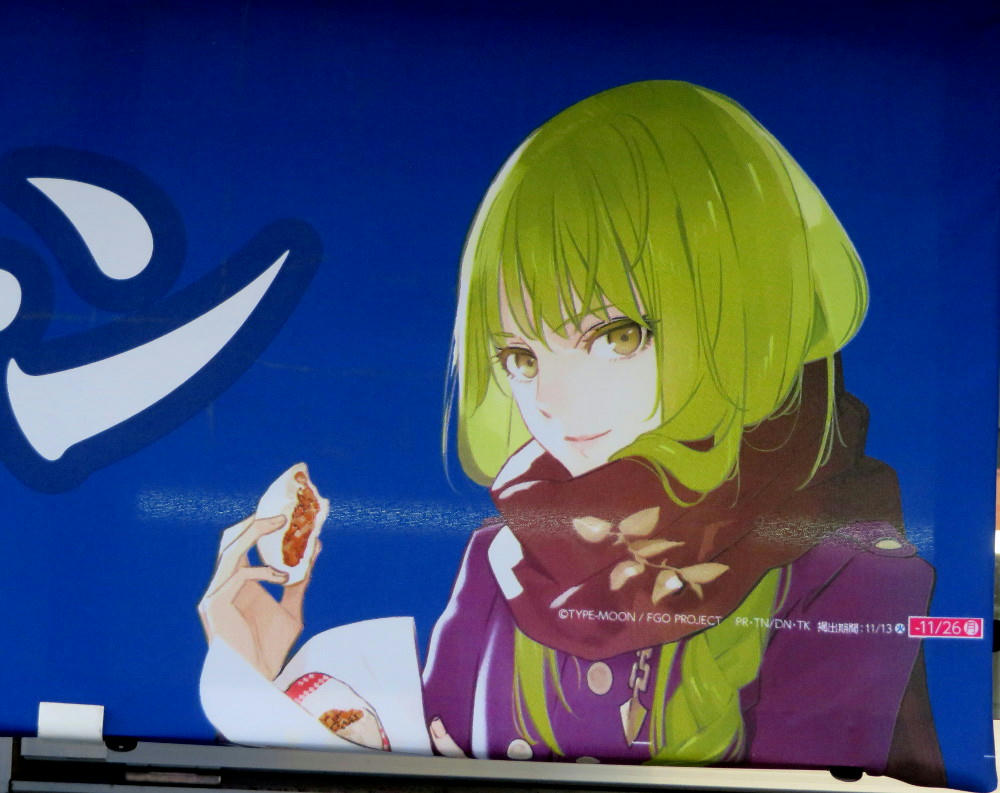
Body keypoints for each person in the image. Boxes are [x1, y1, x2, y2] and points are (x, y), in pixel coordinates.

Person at [199, 81, 944, 784]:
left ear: (748, 318)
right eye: (520, 356)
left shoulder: (849, 573)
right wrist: (259, 679)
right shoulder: (503, 555)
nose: (550, 402)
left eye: (617, 335)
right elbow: (435, 767)